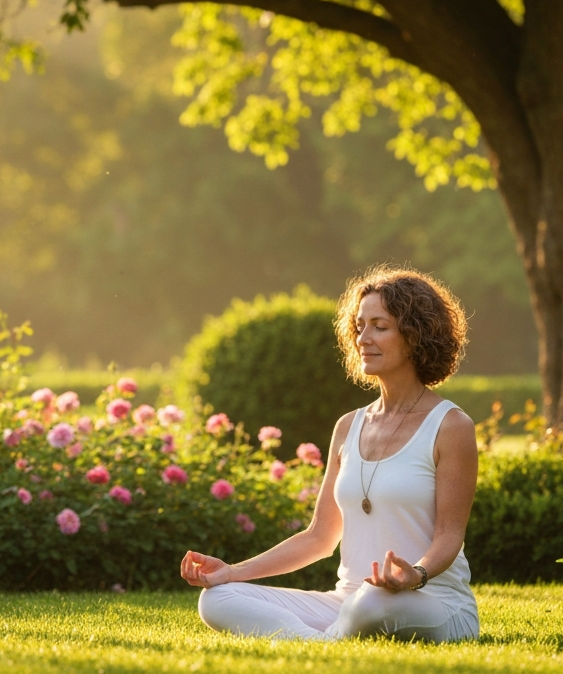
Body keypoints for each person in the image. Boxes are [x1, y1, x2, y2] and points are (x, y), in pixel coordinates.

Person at [180, 265, 480, 642]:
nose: (363, 338)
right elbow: (319, 537)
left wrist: (414, 575)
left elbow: (449, 536)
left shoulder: (451, 426)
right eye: (359, 326)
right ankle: (321, 642)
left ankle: (322, 639)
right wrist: (232, 571)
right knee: (218, 599)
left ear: (414, 335)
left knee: (370, 603)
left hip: (432, 601)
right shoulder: (348, 426)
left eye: (379, 326)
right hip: (348, 601)